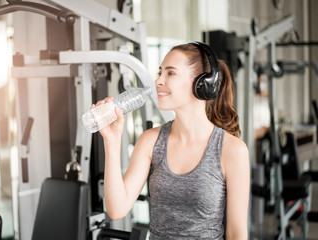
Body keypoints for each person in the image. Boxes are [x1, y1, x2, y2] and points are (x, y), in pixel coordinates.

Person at [91, 42, 250, 240]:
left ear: (201, 83)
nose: (158, 81)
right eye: (160, 73)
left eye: (170, 73)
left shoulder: (231, 150)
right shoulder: (150, 140)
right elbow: (116, 209)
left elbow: (237, 235)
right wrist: (111, 142)